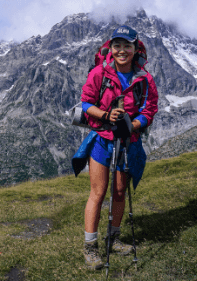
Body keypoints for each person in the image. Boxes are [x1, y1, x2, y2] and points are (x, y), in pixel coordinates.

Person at [72, 24, 159, 270]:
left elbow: (149, 108)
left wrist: (135, 124)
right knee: (98, 193)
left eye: (127, 45)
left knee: (120, 191)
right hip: (102, 139)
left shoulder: (144, 78)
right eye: (117, 45)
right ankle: (91, 248)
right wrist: (106, 115)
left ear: (135, 48)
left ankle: (114, 238)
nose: (122, 50)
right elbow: (86, 102)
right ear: (110, 48)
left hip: (128, 141)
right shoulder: (99, 73)